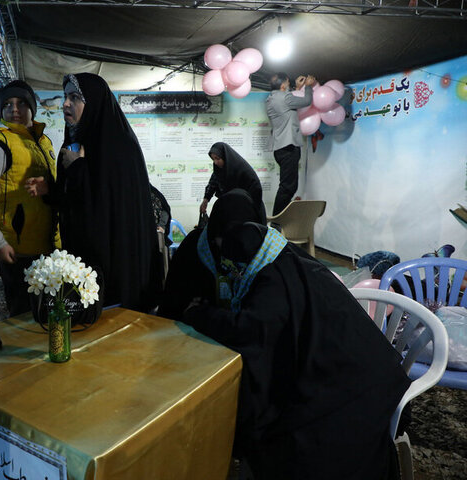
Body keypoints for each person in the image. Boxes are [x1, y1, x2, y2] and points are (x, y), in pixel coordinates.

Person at [159, 190, 410, 480]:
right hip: (362, 363)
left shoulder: (270, 280)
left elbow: (251, 330)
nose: (232, 271)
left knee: (284, 432)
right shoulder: (278, 254)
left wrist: (200, 315)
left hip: (353, 384)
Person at [27, 73, 162, 312]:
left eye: (75, 97)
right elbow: (75, 201)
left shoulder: (119, 147)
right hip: (83, 256)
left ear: (95, 103)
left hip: (113, 259)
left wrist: (78, 168)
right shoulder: (73, 143)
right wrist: (51, 190)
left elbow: (108, 206)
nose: (66, 104)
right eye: (66, 97)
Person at [0, 80, 59, 316]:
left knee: (46, 321)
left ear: (32, 107)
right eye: (8, 104)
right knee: (23, 324)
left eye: (21, 103)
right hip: (17, 253)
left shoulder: (43, 142)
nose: (14, 109)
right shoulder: (0, 145)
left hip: (47, 249)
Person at [265, 73, 316, 215]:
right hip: (288, 148)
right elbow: (306, 101)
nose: (289, 84)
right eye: (288, 82)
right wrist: (308, 86)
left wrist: (297, 87)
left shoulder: (271, 98)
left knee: (288, 186)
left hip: (279, 148)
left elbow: (288, 101)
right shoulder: (285, 98)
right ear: (283, 85)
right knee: (288, 187)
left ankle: (279, 219)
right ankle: (276, 223)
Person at [200, 141, 266, 225]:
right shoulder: (219, 170)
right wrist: (205, 200)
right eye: (213, 159)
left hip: (249, 212)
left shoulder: (242, 170)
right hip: (232, 210)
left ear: (225, 157)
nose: (215, 162)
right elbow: (213, 184)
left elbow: (256, 191)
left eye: (218, 158)